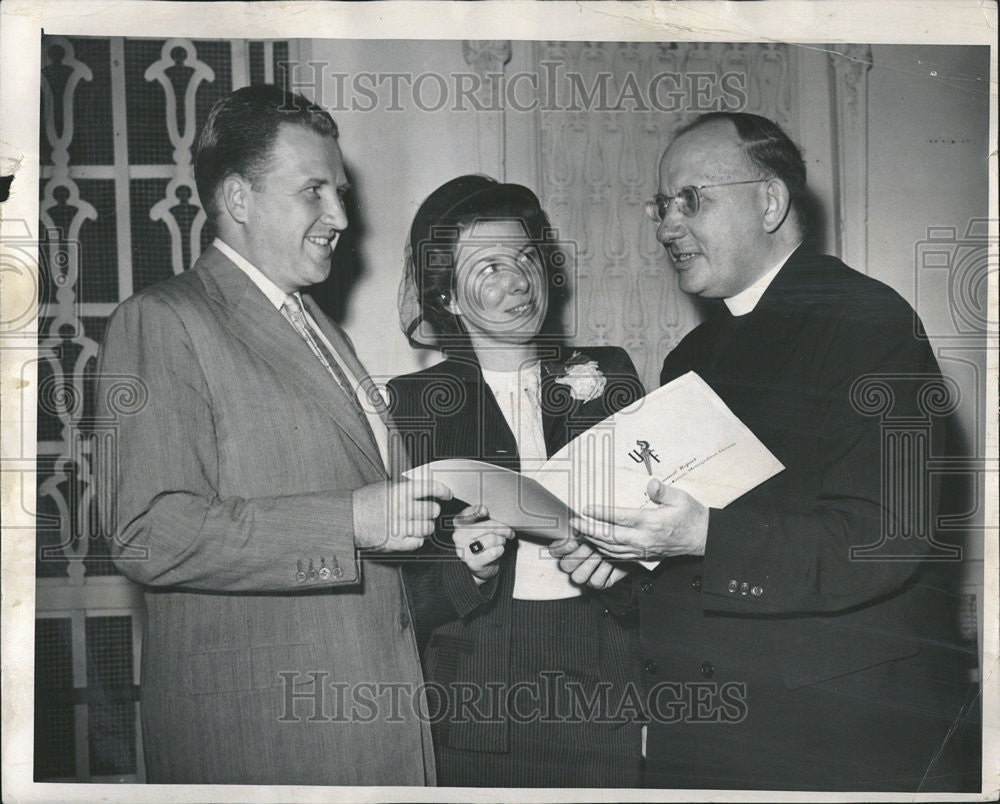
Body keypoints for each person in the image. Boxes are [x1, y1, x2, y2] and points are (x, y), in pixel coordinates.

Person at [565, 112, 978, 791]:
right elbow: (696, 568)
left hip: (831, 739)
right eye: (661, 207)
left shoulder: (868, 321)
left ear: (770, 201)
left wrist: (700, 535)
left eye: (691, 199)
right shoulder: (692, 357)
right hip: (705, 736)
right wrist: (620, 562)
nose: (668, 227)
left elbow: (886, 538)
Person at [95, 84, 452, 785]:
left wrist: (445, 547)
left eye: (340, 192)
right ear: (237, 200)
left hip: (375, 729)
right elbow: (146, 532)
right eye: (314, 191)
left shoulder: (324, 330)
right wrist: (348, 521)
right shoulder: (164, 321)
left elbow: (370, 516)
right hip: (268, 742)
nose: (341, 216)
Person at [387, 175, 646, 787]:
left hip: (600, 671)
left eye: (527, 257)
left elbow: (661, 542)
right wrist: (466, 570)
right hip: (479, 679)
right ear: (447, 297)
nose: (520, 282)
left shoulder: (607, 374)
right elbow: (396, 597)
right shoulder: (413, 403)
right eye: (490, 267)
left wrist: (624, 566)